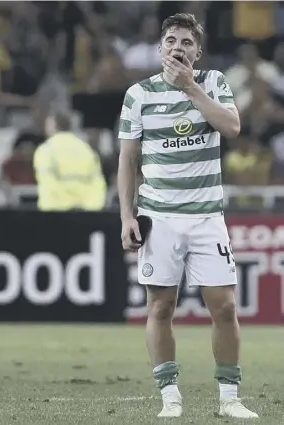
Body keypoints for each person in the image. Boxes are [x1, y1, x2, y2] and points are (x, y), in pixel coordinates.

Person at [117, 13, 258, 419]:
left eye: (187, 42)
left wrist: (190, 88)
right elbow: (128, 160)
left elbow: (231, 127)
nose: (179, 47)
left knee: (225, 307)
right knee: (161, 308)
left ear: (198, 51)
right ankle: (170, 397)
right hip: (159, 217)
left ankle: (229, 398)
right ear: (161, 47)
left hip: (206, 216)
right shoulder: (138, 95)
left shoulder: (212, 82)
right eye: (172, 40)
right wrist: (127, 216)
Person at [33, 111, 107, 211]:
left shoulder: (46, 150)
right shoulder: (86, 150)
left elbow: (47, 182)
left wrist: (64, 203)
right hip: (86, 210)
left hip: (54, 210)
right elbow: (98, 183)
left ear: (52, 125)